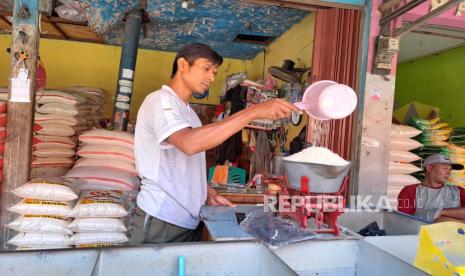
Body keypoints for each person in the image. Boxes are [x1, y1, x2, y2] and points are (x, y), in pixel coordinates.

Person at [131, 43, 299, 244]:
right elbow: (188, 144)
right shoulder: (161, 101)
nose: (211, 77)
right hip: (162, 219)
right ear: (183, 64)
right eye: (206, 69)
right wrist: (254, 112)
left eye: (215, 71)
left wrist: (206, 191)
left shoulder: (189, 113)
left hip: (186, 219)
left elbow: (183, 165)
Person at [397, 154, 465, 223]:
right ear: (429, 168)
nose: (448, 173)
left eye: (450, 170)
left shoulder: (458, 191)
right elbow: (404, 221)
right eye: (445, 168)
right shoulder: (410, 191)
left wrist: (443, 212)